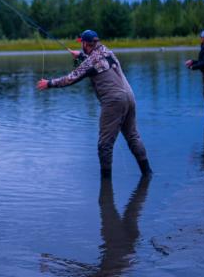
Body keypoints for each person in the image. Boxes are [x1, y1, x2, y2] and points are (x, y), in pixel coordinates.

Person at [36, 30, 152, 178]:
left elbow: (71, 78)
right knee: (133, 137)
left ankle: (105, 184)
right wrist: (81, 55)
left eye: (82, 43)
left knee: (104, 145)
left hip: (114, 101)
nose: (81, 45)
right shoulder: (107, 51)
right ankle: (147, 173)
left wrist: (49, 83)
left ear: (85, 43)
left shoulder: (90, 62)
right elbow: (98, 61)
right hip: (129, 96)